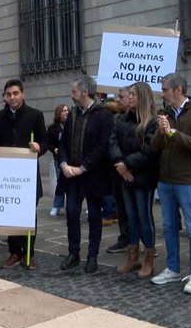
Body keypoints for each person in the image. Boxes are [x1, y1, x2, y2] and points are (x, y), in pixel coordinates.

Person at [150, 73, 191, 294]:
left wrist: (172, 132)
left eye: (165, 89)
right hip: (166, 180)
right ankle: (172, 268)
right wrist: (162, 131)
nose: (162, 93)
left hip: (187, 181)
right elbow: (155, 147)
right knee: (169, 227)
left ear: (178, 90)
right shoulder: (165, 113)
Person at [0, 79, 47, 270]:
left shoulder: (35, 115)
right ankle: (14, 253)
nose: (12, 97)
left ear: (23, 93)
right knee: (9, 214)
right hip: (7, 175)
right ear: (4, 96)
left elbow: (44, 142)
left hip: (27, 175)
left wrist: (39, 147)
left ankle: (29, 253)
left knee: (28, 215)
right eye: (8, 94)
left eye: (15, 93)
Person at [58, 75, 114, 274]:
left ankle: (92, 256)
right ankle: (74, 253)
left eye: (74, 92)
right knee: (72, 212)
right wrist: (64, 163)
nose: (71, 95)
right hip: (71, 173)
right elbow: (63, 142)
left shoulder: (104, 115)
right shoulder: (73, 114)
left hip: (92, 174)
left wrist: (83, 167)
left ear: (84, 92)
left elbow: (102, 146)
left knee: (94, 216)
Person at [109, 82, 159, 278]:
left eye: (133, 95)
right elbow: (112, 142)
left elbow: (149, 151)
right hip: (125, 176)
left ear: (142, 97)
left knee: (144, 217)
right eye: (129, 94)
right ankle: (132, 257)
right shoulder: (123, 119)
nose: (129, 97)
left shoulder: (152, 121)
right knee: (130, 217)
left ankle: (148, 259)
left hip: (143, 177)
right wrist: (121, 165)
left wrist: (127, 165)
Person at [106, 87, 132, 254]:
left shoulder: (144, 117)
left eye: (121, 97)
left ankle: (144, 241)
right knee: (122, 207)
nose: (117, 100)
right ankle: (125, 238)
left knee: (138, 209)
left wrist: (128, 163)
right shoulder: (116, 118)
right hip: (117, 169)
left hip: (135, 170)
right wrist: (119, 162)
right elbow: (112, 141)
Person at [47, 104, 69, 217]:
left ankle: (71, 205)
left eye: (67, 110)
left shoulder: (72, 125)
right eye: (63, 111)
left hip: (72, 158)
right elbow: (48, 143)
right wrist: (54, 149)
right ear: (58, 113)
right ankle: (57, 205)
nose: (66, 112)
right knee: (61, 181)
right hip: (59, 158)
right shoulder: (53, 128)